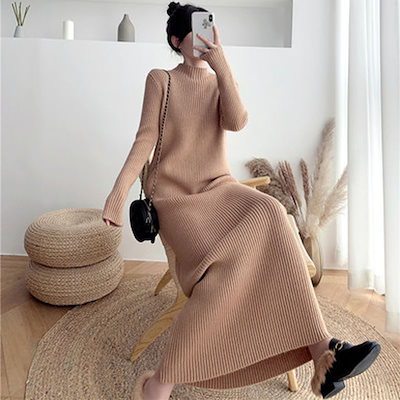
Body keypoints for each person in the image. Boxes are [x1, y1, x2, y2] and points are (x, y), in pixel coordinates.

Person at [102, 2, 381, 399]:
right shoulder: (161, 79)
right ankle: (159, 384)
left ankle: (324, 354)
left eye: (209, 28)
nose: (204, 37)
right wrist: (117, 193)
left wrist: (221, 64)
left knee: (271, 210)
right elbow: (145, 138)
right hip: (176, 199)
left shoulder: (218, 78)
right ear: (177, 40)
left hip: (220, 187)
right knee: (223, 267)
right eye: (195, 31)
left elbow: (236, 121)